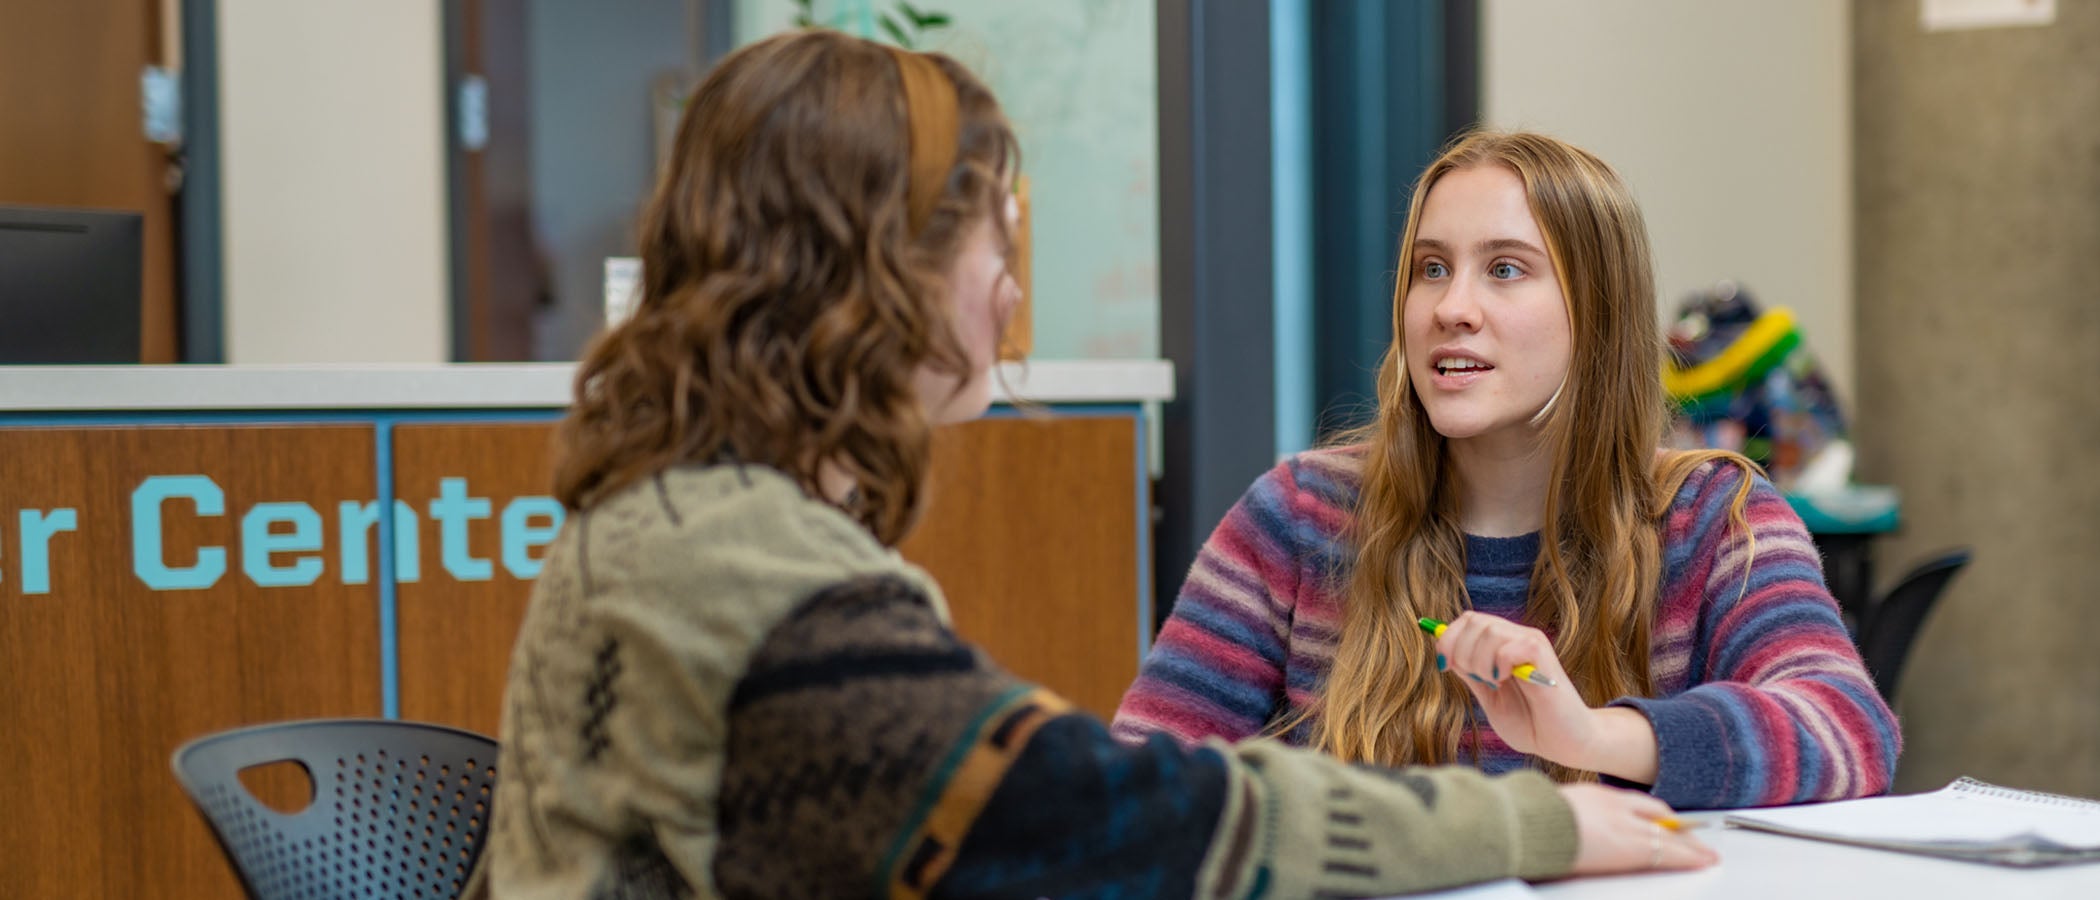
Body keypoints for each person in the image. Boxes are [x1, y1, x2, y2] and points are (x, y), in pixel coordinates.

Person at [466, 34, 1714, 900]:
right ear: (875, 276)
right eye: (990, 243)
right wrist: (1534, 821)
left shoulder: (705, 523)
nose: (1011, 290)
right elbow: (1100, 815)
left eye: (1507, 271)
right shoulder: (745, 572)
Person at [1112, 131, 1901, 810]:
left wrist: (1594, 735)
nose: (1451, 307)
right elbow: (1140, 791)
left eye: (1505, 269)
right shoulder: (1301, 516)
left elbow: (1849, 728)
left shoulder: (1714, 516)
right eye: (1430, 268)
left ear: (1597, 315)